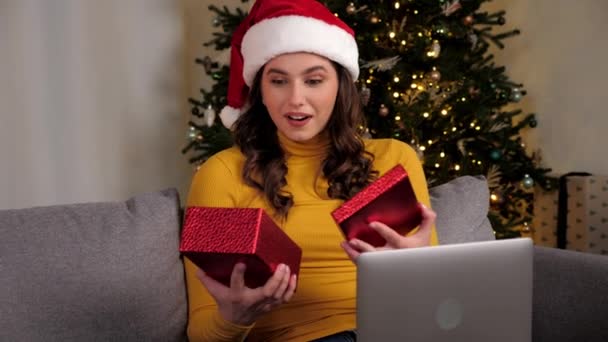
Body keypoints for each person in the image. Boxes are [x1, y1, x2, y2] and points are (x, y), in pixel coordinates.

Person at [183, 0, 438, 341]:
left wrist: (422, 268)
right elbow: (202, 332)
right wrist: (235, 317)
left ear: (339, 86)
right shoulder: (222, 174)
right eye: (278, 81)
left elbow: (436, 300)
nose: (295, 99)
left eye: (314, 81)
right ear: (260, 90)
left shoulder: (394, 158)